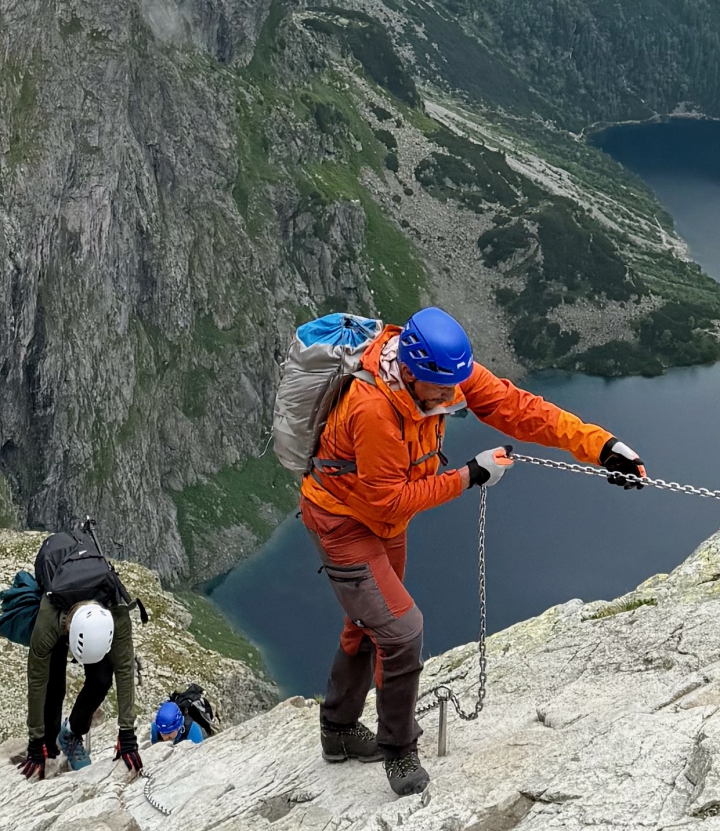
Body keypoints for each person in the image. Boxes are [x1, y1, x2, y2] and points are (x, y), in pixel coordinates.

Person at [300, 306, 646, 796]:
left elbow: (519, 408)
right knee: (400, 631)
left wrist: (602, 445)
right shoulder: (372, 408)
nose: (449, 399)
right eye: (439, 392)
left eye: (454, 389)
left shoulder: (446, 375)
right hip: (341, 521)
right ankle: (399, 751)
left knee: (368, 623)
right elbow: (389, 498)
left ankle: (337, 732)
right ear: (412, 372)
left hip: (382, 520)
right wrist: (470, 475)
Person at [19, 596, 142, 779]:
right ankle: (48, 744)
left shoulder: (118, 616)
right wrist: (35, 741)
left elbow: (124, 670)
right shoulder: (48, 623)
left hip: (96, 616)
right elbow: (37, 682)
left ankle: (71, 733)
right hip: (59, 613)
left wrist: (127, 734)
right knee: (54, 685)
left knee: (101, 680)